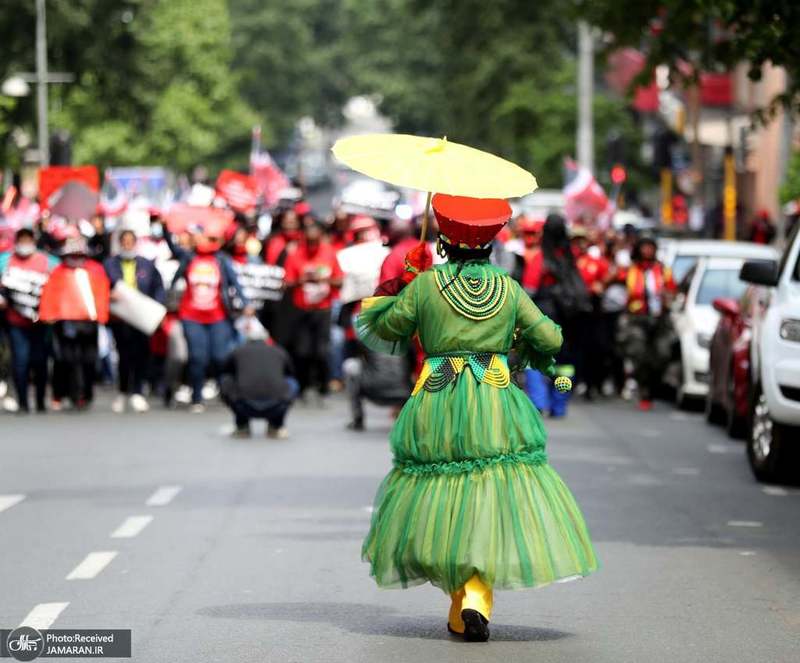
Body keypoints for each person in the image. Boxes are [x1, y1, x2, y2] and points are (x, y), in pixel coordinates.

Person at [357, 194, 597, 642]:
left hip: (437, 395)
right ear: (491, 244)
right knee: (486, 492)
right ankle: (472, 597)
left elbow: (384, 328)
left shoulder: (427, 285)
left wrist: (406, 279)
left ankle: (463, 600)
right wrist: (515, 336)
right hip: (493, 395)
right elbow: (550, 339)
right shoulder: (507, 287)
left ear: (443, 243)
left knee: (443, 495)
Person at [163, 223, 251, 412]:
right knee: (197, 357)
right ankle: (197, 396)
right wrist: (165, 227)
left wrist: (246, 304)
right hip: (192, 315)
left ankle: (222, 390)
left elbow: (235, 283)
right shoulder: (189, 257)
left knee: (220, 356)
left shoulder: (222, 260)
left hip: (218, 316)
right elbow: (173, 248)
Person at [523, 214, 591, 417]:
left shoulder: (540, 258)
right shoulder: (571, 259)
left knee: (534, 358)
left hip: (543, 316)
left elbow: (528, 290)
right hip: (570, 319)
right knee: (565, 363)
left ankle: (539, 402)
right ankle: (559, 405)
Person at [39, 235, 110, 410]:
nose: (76, 259)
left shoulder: (95, 270)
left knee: (88, 360)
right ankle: (64, 393)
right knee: (66, 359)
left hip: (89, 323)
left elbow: (102, 295)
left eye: (79, 255)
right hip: (66, 323)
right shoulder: (58, 272)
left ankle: (85, 394)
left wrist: (102, 316)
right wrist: (48, 315)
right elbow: (49, 295)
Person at [104, 229, 166, 413]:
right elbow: (102, 286)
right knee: (123, 355)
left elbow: (158, 288)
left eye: (130, 241)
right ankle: (123, 391)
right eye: (124, 241)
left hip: (142, 316)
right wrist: (109, 295)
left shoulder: (146, 265)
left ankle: (138, 391)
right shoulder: (110, 264)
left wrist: (157, 309)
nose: (127, 245)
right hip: (120, 316)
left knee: (141, 354)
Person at [283, 221, 343, 401]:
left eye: (315, 241)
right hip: (302, 309)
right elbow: (286, 283)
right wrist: (301, 280)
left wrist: (323, 279)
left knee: (322, 349)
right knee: (302, 350)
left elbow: (339, 281)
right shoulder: (295, 255)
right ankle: (302, 385)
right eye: (309, 241)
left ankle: (324, 385)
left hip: (323, 309)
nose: (312, 246)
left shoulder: (329, 253)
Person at [0, 228, 57, 412]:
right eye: (21, 240)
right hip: (16, 322)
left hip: (40, 322)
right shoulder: (6, 261)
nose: (24, 244)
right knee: (20, 361)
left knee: (40, 361)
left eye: (28, 240)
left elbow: (58, 285)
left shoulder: (47, 261)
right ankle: (23, 402)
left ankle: (40, 401)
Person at [619, 236, 676, 410]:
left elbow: (672, 290)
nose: (647, 251)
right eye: (644, 247)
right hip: (637, 319)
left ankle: (653, 387)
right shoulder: (631, 269)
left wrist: (668, 296)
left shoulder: (663, 270)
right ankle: (643, 390)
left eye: (650, 247)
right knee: (638, 353)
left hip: (659, 319)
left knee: (662, 354)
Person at [220, 317, 298, 438]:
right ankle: (276, 425)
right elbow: (290, 372)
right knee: (291, 383)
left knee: (226, 380)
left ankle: (242, 425)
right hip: (277, 404)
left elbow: (226, 372)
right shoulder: (279, 351)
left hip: (244, 405)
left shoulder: (238, 351)